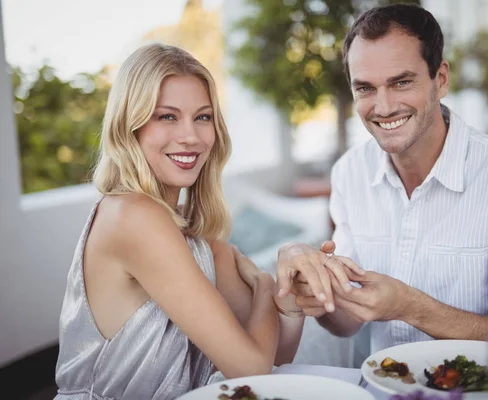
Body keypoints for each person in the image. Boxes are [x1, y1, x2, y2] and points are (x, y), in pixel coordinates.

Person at [276, 3, 488, 353]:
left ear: (441, 79)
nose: (383, 107)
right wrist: (319, 293)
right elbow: (348, 320)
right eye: (366, 88)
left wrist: (412, 307)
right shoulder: (350, 172)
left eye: (401, 82)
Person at [54, 43, 304, 400]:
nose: (191, 136)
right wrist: (265, 284)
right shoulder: (134, 216)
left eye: (202, 117)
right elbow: (251, 368)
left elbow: (274, 352)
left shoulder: (195, 232)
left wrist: (289, 298)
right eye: (167, 116)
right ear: (131, 126)